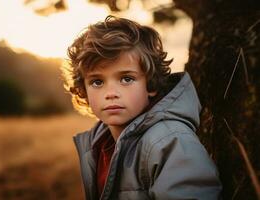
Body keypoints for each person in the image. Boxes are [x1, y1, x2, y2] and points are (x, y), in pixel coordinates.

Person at [62, 15, 222, 200]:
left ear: (151, 84)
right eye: (97, 82)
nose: (111, 93)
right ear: (84, 90)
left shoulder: (170, 141)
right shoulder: (99, 142)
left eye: (126, 79)